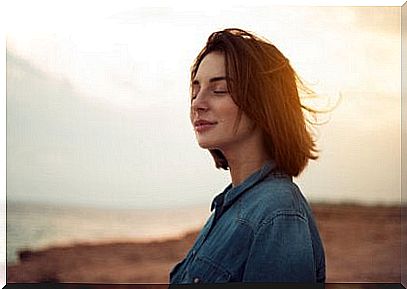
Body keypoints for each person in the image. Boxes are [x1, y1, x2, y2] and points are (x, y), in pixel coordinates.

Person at [169, 28, 326, 283]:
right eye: (195, 90)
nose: (198, 103)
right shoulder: (232, 206)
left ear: (263, 102)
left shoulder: (278, 214)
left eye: (219, 90)